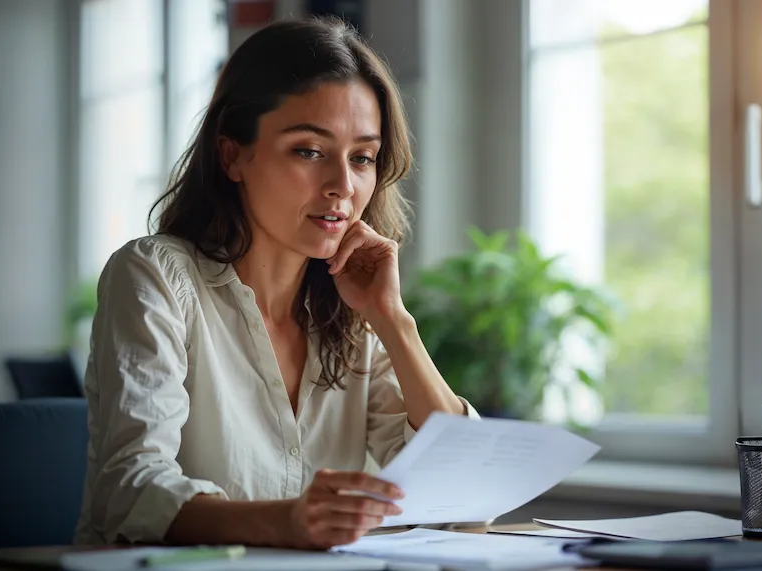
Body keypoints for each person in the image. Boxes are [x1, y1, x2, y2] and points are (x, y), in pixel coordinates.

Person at [73, 17, 479, 550]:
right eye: (309, 150)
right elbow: (131, 490)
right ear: (233, 155)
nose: (342, 186)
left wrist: (394, 322)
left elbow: (467, 501)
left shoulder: (356, 313)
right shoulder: (155, 277)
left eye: (362, 158)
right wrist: (287, 522)